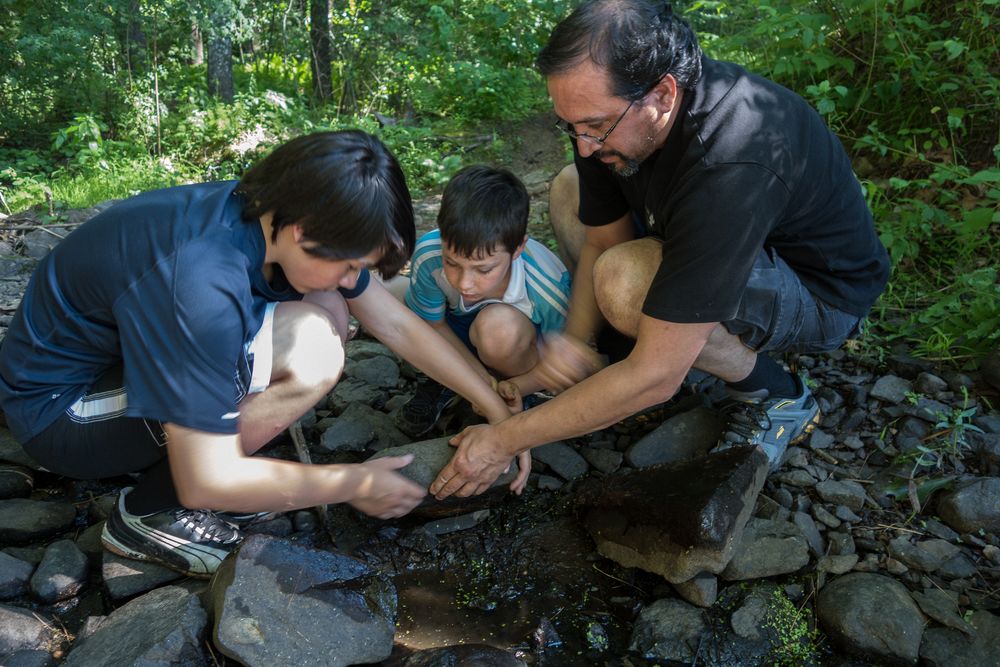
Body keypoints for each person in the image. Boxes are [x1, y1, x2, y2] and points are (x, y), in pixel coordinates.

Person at [0, 130, 523, 577]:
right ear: (306, 232)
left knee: (330, 307)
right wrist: (352, 482)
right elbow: (209, 477)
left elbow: (395, 323)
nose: (352, 278)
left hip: (115, 362)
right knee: (314, 352)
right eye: (350, 265)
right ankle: (150, 512)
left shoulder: (277, 213)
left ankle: (199, 448)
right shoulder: (201, 281)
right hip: (60, 411)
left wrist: (499, 415)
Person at [429, 0, 890, 498]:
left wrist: (501, 440)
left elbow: (656, 377)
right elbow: (604, 235)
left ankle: (774, 393)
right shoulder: (610, 122)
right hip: (705, 247)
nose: (584, 144)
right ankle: (623, 351)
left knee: (627, 280)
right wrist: (577, 344)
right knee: (569, 188)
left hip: (818, 293)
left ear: (663, 94)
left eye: (595, 126)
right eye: (571, 126)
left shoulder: (733, 158)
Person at [394, 165, 572, 437]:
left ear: (518, 249)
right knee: (386, 301)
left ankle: (510, 393)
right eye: (451, 263)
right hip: (458, 332)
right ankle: (447, 382)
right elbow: (434, 324)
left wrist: (519, 386)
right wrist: (480, 381)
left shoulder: (548, 285)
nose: (464, 283)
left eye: (484, 269)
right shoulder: (429, 255)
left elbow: (565, 361)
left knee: (498, 330)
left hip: (513, 350)